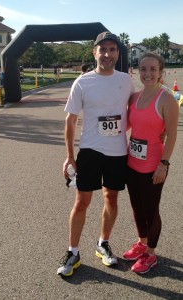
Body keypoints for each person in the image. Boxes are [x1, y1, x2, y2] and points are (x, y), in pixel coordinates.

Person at [57, 31, 135, 277]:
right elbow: (70, 121)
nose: (107, 54)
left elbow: (134, 115)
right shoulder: (83, 81)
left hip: (117, 151)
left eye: (112, 49)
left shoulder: (126, 80)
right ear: (94, 53)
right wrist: (70, 156)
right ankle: (72, 252)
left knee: (111, 198)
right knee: (82, 202)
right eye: (102, 49)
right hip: (90, 151)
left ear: (117, 54)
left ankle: (103, 244)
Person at [123, 53, 179, 274]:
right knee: (137, 208)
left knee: (151, 211)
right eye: (143, 69)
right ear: (138, 71)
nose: (147, 73)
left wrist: (163, 164)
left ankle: (151, 254)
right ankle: (142, 242)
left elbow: (172, 135)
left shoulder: (166, 100)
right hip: (131, 162)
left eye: (152, 69)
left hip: (154, 166)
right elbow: (126, 125)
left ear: (160, 73)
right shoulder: (134, 97)